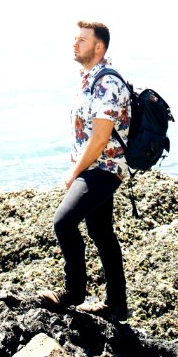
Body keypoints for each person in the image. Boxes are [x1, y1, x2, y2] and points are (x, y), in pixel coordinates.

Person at [39, 20, 130, 321]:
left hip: (102, 168)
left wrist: (74, 172)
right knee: (101, 232)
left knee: (63, 222)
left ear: (98, 47)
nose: (75, 44)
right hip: (96, 166)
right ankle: (116, 304)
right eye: (75, 39)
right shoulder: (89, 79)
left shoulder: (107, 83)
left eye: (82, 40)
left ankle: (73, 291)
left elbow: (101, 137)